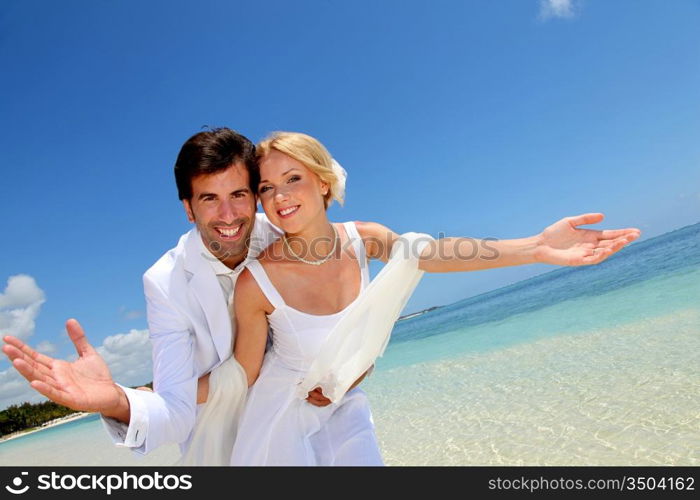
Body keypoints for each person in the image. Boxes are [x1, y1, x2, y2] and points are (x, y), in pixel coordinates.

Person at [204, 131, 642, 465]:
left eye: (292, 178)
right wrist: (150, 398)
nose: (279, 196)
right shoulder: (255, 283)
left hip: (343, 404)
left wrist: (535, 246)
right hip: (280, 421)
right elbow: (243, 373)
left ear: (322, 183)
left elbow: (430, 253)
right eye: (266, 187)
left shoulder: (366, 239)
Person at [1, 128, 336, 459]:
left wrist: (343, 376)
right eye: (209, 199)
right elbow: (176, 410)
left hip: (318, 429)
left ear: (254, 195)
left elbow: (346, 319)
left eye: (238, 195)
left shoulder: (289, 235)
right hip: (227, 448)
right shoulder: (164, 282)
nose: (229, 215)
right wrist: (118, 401)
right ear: (188, 209)